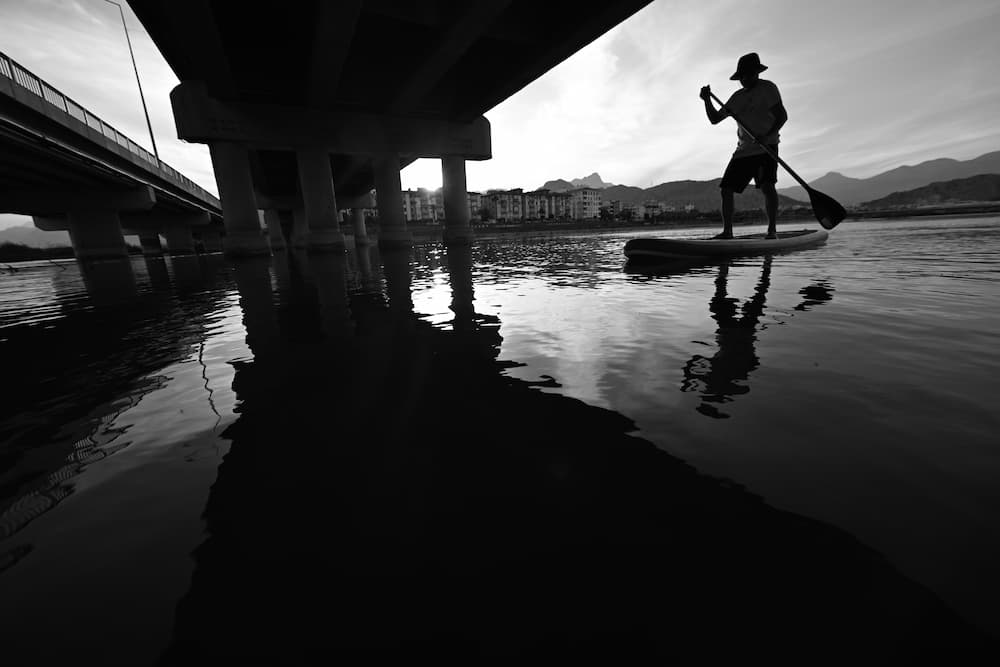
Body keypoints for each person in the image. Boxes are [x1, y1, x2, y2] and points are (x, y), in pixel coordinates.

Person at [700, 53, 788, 239]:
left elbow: (782, 116)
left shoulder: (768, 88)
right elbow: (715, 119)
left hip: (767, 147)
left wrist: (767, 136)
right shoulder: (737, 98)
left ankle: (772, 231)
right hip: (744, 151)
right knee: (726, 190)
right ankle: (727, 232)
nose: (745, 79)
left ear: (757, 73)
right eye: (742, 76)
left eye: (749, 75)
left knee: (767, 187)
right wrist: (707, 100)